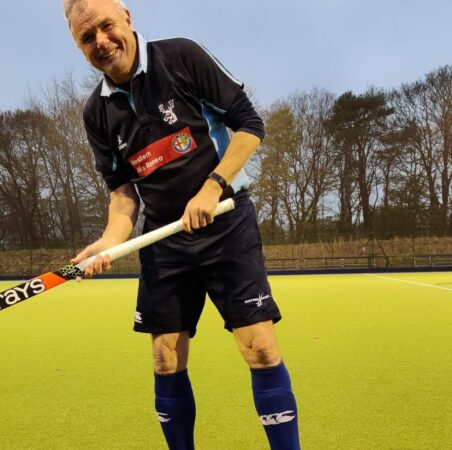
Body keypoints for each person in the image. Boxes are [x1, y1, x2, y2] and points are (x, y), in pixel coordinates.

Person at [63, 1, 300, 448]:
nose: (101, 41)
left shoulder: (181, 57)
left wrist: (212, 187)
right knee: (164, 358)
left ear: (127, 18)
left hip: (226, 225)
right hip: (164, 239)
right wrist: (109, 243)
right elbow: (122, 194)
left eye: (106, 26)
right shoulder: (97, 112)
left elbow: (249, 125)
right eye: (86, 37)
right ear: (78, 46)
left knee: (261, 349)